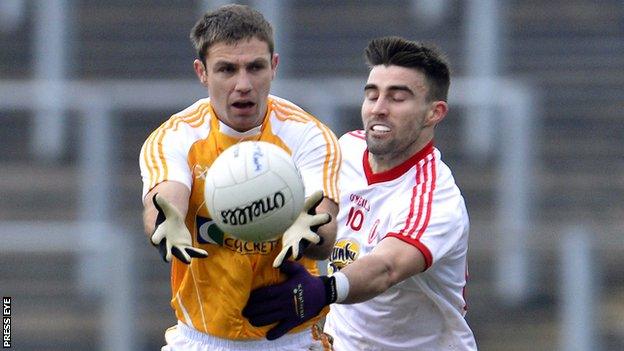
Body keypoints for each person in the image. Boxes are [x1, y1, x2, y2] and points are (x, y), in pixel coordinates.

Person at [243, 36, 477, 350]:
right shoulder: (344, 150)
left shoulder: (435, 197)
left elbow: (386, 268)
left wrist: (322, 291)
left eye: (398, 98)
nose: (379, 109)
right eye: (372, 95)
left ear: (434, 113)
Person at [139, 4, 340, 350]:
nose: (243, 84)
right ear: (202, 72)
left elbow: (325, 229)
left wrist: (311, 229)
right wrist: (163, 225)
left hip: (290, 340)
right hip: (200, 340)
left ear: (274, 66)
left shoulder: (309, 135)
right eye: (227, 69)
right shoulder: (175, 136)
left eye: (255, 67)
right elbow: (165, 200)